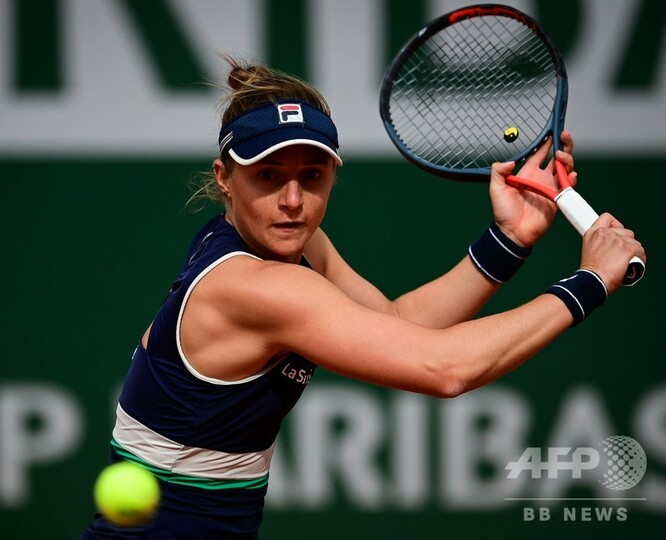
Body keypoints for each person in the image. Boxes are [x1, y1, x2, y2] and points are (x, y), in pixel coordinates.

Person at [80, 56, 646, 539]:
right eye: (268, 176)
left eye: (312, 175)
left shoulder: (284, 243)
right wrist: (590, 280)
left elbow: (400, 321)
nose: (293, 200)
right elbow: (447, 368)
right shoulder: (254, 287)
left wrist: (511, 238)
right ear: (224, 177)